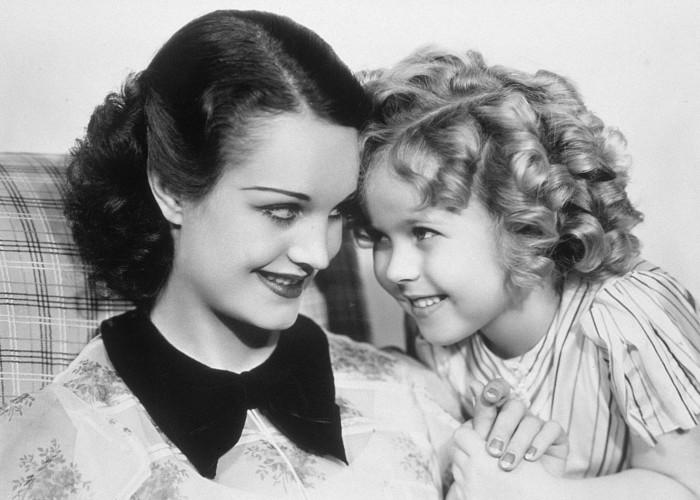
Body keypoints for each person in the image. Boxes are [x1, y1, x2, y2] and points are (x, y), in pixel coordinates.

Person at [0, 12, 560, 499]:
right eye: (281, 211)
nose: (318, 253)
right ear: (171, 187)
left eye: (337, 212)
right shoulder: (61, 447)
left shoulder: (412, 396)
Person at [357, 47, 700, 498]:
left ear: (521, 220)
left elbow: (686, 484)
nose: (395, 270)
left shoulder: (628, 314)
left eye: (422, 231)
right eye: (380, 237)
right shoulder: (439, 322)